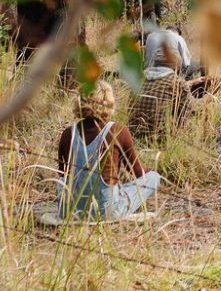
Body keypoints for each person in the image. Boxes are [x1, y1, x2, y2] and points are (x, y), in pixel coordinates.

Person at [57, 81, 162, 219]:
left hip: (71, 211)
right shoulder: (118, 130)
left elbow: (62, 175)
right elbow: (137, 172)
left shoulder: (68, 133)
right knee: (154, 178)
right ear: (109, 103)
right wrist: (153, 170)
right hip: (104, 213)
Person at [129, 38, 213, 140]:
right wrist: (208, 99)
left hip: (133, 134)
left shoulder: (139, 77)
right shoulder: (176, 82)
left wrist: (189, 83)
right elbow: (194, 108)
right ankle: (197, 139)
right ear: (174, 64)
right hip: (158, 137)